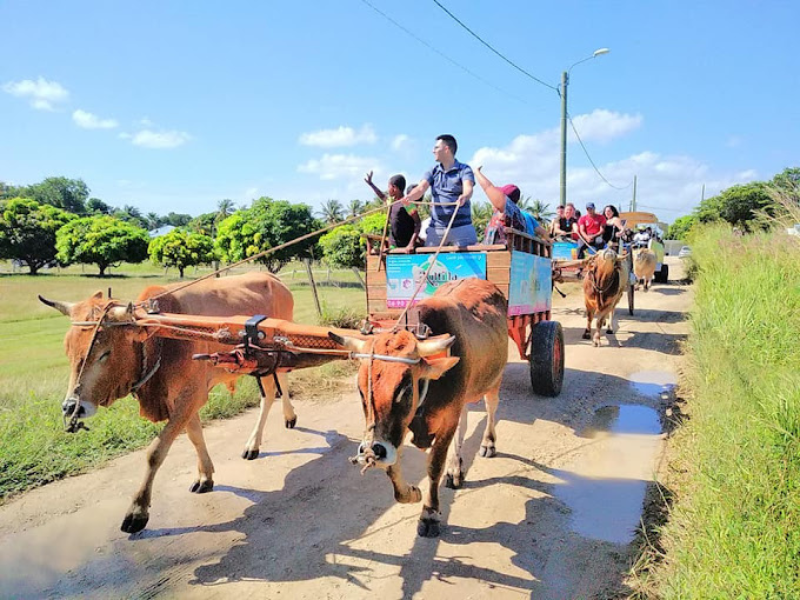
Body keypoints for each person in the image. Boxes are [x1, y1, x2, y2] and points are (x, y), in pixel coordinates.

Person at [400, 134, 477, 247]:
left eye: (436, 147)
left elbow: (468, 188)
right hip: (437, 228)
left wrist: (464, 196)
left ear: (446, 149)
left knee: (473, 259)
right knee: (429, 260)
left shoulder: (464, 169)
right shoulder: (433, 171)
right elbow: (421, 188)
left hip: (462, 226)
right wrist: (410, 197)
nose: (433, 151)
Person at [474, 168, 543, 244]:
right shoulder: (516, 214)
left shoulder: (509, 209)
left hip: (500, 253)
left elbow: (488, 187)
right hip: (496, 251)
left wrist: (477, 173)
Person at [364, 171, 421, 253]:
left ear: (394, 188)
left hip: (406, 246)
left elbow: (418, 223)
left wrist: (411, 243)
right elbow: (382, 196)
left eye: (388, 186)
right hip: (394, 245)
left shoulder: (407, 204)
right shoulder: (391, 202)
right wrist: (371, 184)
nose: (388, 189)